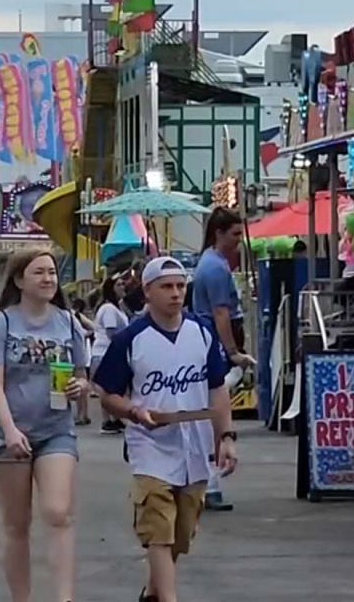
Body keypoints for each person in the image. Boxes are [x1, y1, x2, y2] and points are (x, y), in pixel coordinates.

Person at [96, 257, 238, 602]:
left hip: (195, 442)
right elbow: (105, 392)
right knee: (157, 527)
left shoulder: (201, 332)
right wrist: (132, 409)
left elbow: (217, 388)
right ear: (147, 291)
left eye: (180, 286)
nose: (176, 294)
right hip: (150, 445)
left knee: (180, 533)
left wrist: (227, 436)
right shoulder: (131, 338)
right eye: (167, 287)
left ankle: (154, 590)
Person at [0, 250, 89, 602]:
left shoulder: (68, 322)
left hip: (56, 429)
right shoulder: (2, 322)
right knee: (17, 525)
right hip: (7, 434)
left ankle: (64, 598)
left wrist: (80, 387)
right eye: (39, 272)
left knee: (59, 513)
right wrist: (10, 430)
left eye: (52, 272)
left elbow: (82, 376)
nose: (48, 279)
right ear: (19, 280)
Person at [192, 207, 255, 511]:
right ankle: (210, 480)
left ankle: (209, 480)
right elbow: (221, 313)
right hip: (217, 343)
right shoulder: (215, 268)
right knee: (217, 407)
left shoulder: (211, 263)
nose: (239, 239)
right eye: (234, 234)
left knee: (216, 406)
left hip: (214, 341)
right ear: (219, 233)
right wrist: (232, 351)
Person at [91, 277, 129, 435]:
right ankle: (107, 420)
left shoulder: (118, 308)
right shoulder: (108, 309)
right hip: (104, 352)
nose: (123, 287)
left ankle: (114, 418)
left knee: (115, 389)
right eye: (119, 284)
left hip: (109, 352)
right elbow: (111, 331)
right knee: (107, 388)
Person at [70, 298, 96, 427]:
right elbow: (93, 327)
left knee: (78, 384)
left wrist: (84, 334)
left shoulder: (70, 316)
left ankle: (81, 415)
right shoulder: (74, 316)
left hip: (76, 355)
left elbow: (93, 327)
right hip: (82, 354)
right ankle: (83, 414)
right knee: (81, 384)